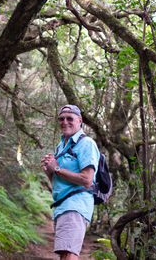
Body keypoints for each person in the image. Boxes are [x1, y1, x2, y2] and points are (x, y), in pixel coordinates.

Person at [40, 104, 100, 260]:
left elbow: (87, 180)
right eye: (61, 119)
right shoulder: (62, 144)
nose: (64, 121)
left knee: (69, 253)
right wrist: (50, 170)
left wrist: (58, 169)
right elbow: (59, 180)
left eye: (69, 118)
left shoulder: (86, 144)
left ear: (79, 121)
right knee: (64, 253)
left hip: (76, 205)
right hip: (62, 206)